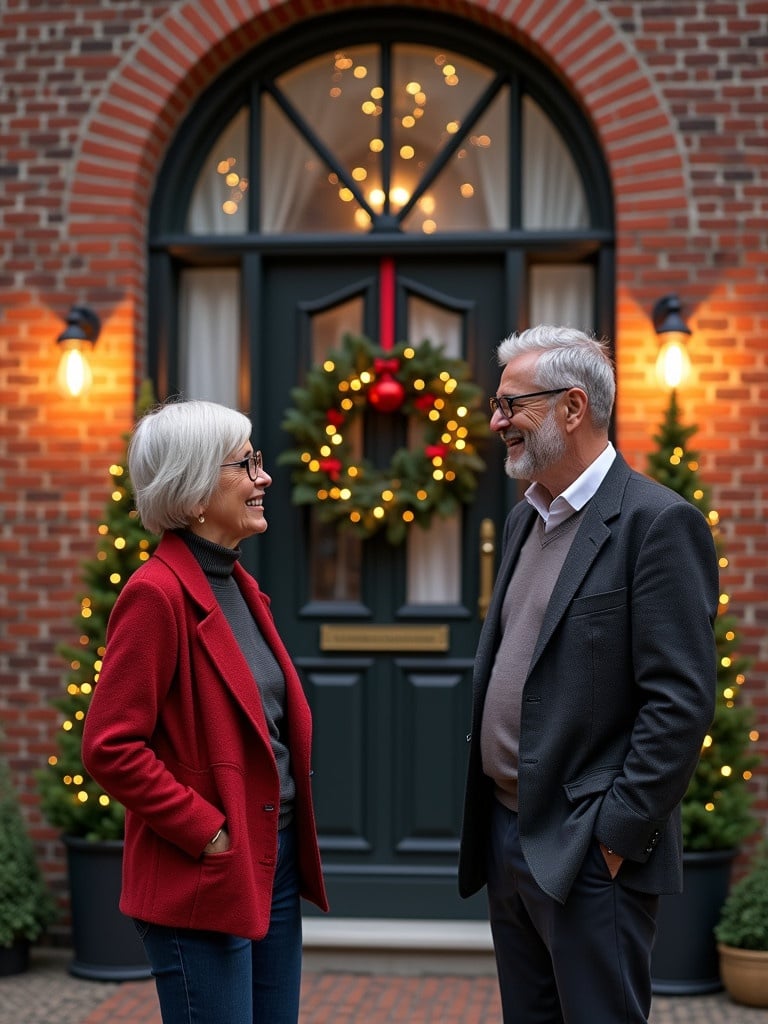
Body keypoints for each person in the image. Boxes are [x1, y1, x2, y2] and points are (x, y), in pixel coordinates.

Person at [458, 326, 718, 1024]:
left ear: (573, 408)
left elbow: (682, 701)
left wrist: (613, 838)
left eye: (513, 404)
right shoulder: (525, 519)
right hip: (507, 835)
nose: (497, 421)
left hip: (586, 848)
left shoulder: (657, 523)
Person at [82, 399, 328, 1024]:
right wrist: (206, 830)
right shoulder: (154, 595)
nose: (263, 478)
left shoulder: (241, 588)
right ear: (193, 492)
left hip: (269, 866)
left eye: (258, 462)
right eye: (245, 465)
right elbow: (111, 746)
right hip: (206, 875)